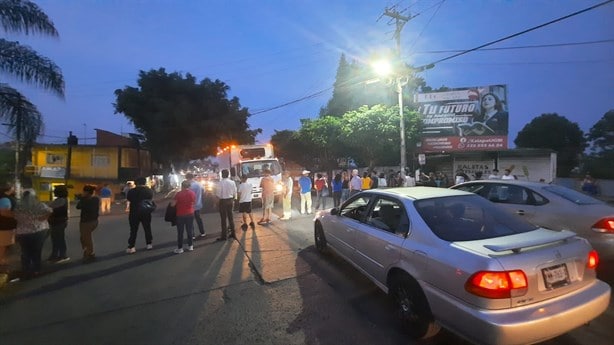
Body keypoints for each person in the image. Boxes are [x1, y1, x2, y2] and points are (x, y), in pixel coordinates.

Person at [13, 189, 52, 278]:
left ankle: (26, 270)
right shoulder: (39, 205)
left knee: (25, 251)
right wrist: (43, 218)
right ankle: (36, 270)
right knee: (36, 251)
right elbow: (50, 210)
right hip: (38, 231)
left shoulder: (18, 206)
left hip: (23, 232)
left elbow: (15, 216)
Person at [125, 177, 155, 254]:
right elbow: (151, 199)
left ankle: (131, 246)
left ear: (136, 183)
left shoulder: (131, 191)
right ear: (144, 183)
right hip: (146, 212)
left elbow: (129, 199)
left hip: (134, 212)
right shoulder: (149, 191)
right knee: (147, 228)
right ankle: (149, 244)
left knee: (133, 230)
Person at [76, 185, 100, 263]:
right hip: (94, 221)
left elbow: (78, 206)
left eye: (84, 192)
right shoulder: (96, 199)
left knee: (86, 238)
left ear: (86, 192)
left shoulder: (85, 200)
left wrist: (82, 198)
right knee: (84, 237)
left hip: (86, 222)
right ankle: (87, 251)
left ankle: (89, 253)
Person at [170, 180, 195, 253]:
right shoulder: (192, 193)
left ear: (182, 186)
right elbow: (193, 202)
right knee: (189, 230)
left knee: (180, 232)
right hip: (190, 213)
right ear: (189, 186)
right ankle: (190, 246)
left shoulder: (178, 194)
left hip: (180, 214)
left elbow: (172, 204)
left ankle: (180, 248)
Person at [47, 185, 70, 263]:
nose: (54, 192)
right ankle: (56, 254)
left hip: (58, 222)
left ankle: (62, 255)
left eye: (55, 190)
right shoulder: (61, 199)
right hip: (58, 221)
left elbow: (50, 207)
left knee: (58, 239)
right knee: (57, 239)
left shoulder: (61, 200)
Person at [216, 169, 237, 241]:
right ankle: (233, 233)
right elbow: (235, 192)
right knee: (231, 218)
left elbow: (218, 194)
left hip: (223, 201)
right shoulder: (232, 182)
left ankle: (224, 236)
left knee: (223, 219)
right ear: (228, 175)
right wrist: (233, 199)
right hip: (230, 200)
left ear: (222, 175)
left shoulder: (220, 183)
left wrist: (216, 203)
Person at [0, 182, 17, 272]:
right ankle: (1, 261)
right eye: (13, 187)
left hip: (4, 225)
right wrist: (15, 215)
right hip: (5, 226)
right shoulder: (5, 199)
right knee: (3, 245)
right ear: (10, 189)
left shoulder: (3, 198)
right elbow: (3, 212)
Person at [185, 173, 206, 238]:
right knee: (199, 219)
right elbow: (204, 191)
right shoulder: (199, 184)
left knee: (190, 220)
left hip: (190, 205)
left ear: (187, 178)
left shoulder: (188, 186)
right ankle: (202, 232)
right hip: (198, 204)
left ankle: (192, 235)